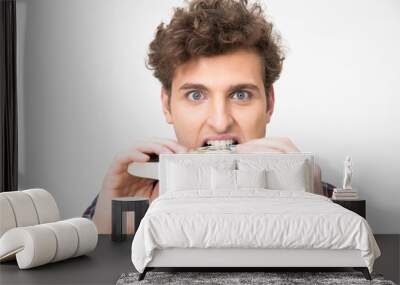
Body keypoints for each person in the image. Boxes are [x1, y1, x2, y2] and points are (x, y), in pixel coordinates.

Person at [86, 0, 333, 234]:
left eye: (240, 94)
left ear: (269, 104)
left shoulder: (317, 194)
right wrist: (108, 231)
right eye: (195, 95)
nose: (220, 122)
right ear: (167, 106)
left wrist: (314, 208)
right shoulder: (129, 195)